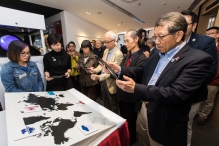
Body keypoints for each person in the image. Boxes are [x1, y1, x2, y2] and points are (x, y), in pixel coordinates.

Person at [107, 12, 212, 146]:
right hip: (144, 109)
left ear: (179, 35)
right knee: (143, 141)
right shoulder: (156, 54)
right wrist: (119, 69)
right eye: (155, 37)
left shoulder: (198, 59)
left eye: (161, 37)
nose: (156, 42)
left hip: (164, 115)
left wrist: (136, 88)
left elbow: (176, 93)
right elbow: (142, 70)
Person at [181, 10, 218, 146]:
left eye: (184, 23)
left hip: (192, 95)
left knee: (185, 126)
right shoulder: (172, 40)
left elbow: (211, 70)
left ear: (194, 25)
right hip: (169, 94)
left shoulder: (206, 42)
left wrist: (183, 84)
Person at [117, 29, 147, 144]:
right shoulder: (127, 56)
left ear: (136, 39)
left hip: (131, 96)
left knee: (131, 122)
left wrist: (118, 71)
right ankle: (126, 138)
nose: (126, 44)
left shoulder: (142, 58)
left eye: (128, 41)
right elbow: (120, 71)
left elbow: (133, 73)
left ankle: (131, 140)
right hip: (122, 95)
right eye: (124, 41)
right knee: (124, 120)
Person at [90, 31, 123, 114]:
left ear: (114, 41)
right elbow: (102, 64)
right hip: (103, 82)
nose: (105, 44)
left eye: (107, 42)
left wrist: (99, 77)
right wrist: (95, 70)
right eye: (104, 42)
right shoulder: (106, 51)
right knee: (105, 101)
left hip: (111, 83)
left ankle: (115, 122)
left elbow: (113, 73)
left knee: (113, 104)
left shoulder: (119, 54)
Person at [197, 26, 219, 125]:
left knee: (209, 100)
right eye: (207, 34)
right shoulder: (205, 46)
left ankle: (202, 117)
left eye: (211, 33)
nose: (208, 36)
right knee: (201, 98)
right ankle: (197, 113)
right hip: (202, 78)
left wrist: (212, 77)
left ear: (218, 35)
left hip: (214, 81)